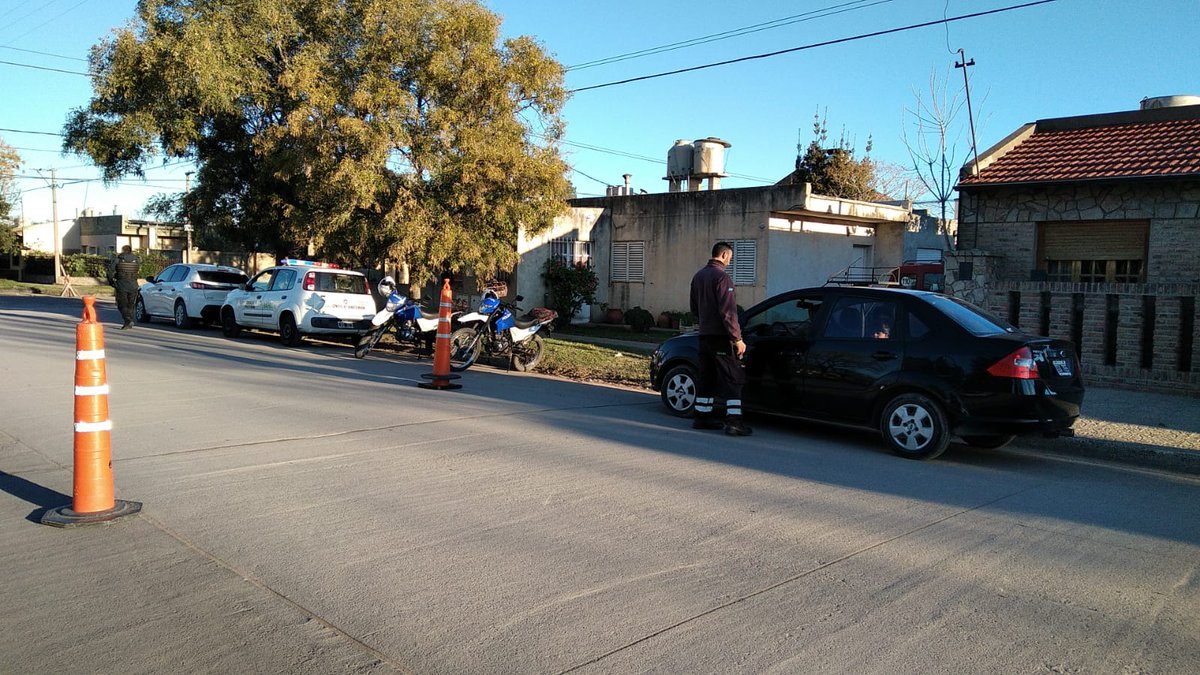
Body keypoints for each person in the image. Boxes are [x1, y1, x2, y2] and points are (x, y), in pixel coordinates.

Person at [689, 241, 752, 436]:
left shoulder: (698, 276)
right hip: (720, 337)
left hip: (704, 335)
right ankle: (734, 422)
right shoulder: (722, 278)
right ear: (724, 255)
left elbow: (694, 308)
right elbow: (729, 312)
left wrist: (706, 322)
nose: (729, 262)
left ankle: (702, 417)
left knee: (707, 376)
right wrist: (737, 339)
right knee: (733, 378)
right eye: (730, 258)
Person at [107, 245, 141, 329]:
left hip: (121, 284)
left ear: (123, 250)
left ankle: (127, 320)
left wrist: (111, 282)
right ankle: (129, 320)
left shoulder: (118, 259)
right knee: (131, 304)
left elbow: (110, 272)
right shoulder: (136, 260)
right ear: (130, 251)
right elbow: (137, 270)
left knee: (122, 304)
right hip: (133, 285)